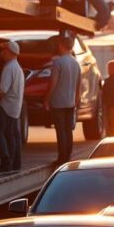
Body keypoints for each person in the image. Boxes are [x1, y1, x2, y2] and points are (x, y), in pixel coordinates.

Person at [0, 41, 24, 174]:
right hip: (15, 107)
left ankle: (5, 163)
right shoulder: (18, 68)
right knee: (12, 135)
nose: (1, 53)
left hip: (5, 106)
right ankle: (16, 164)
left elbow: (2, 91)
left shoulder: (9, 68)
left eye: (4, 50)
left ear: (10, 52)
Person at [45, 33, 81, 165]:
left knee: (60, 131)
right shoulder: (76, 63)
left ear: (61, 46)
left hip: (58, 102)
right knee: (68, 130)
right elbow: (78, 84)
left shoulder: (58, 62)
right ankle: (68, 156)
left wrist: (47, 99)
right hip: (70, 102)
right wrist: (77, 99)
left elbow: (53, 82)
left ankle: (61, 158)